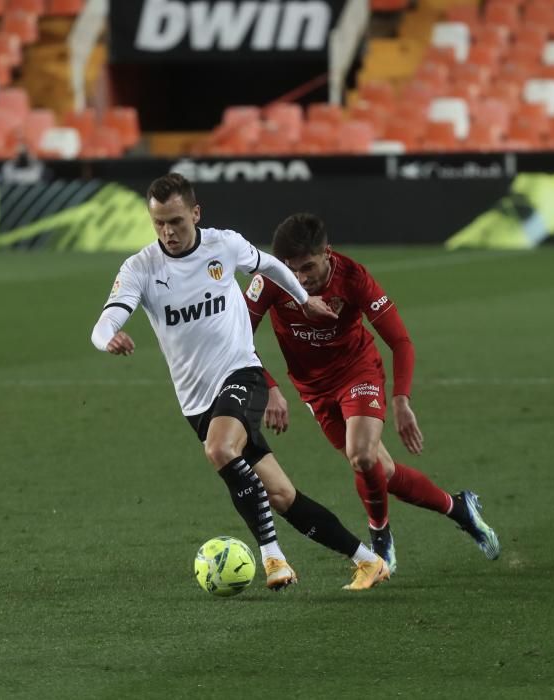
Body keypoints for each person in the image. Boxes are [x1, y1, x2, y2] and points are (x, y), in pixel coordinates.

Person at [91, 174, 389, 592]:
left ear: (195, 214)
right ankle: (367, 560)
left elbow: (267, 264)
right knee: (283, 496)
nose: (167, 232)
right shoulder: (141, 268)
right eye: (158, 223)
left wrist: (305, 301)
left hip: (241, 373)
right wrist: (109, 338)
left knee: (220, 448)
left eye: (175, 221)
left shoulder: (223, 245)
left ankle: (273, 558)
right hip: (197, 402)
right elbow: (106, 320)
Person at [244, 212, 501, 572]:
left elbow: (401, 341)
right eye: (291, 269)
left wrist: (401, 399)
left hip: (357, 373)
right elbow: (236, 338)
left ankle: (380, 537)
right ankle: (460, 508)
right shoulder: (271, 279)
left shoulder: (353, 277)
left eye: (307, 268)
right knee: (383, 470)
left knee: (362, 456)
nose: (298, 278)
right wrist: (270, 388)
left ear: (327, 253)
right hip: (314, 391)